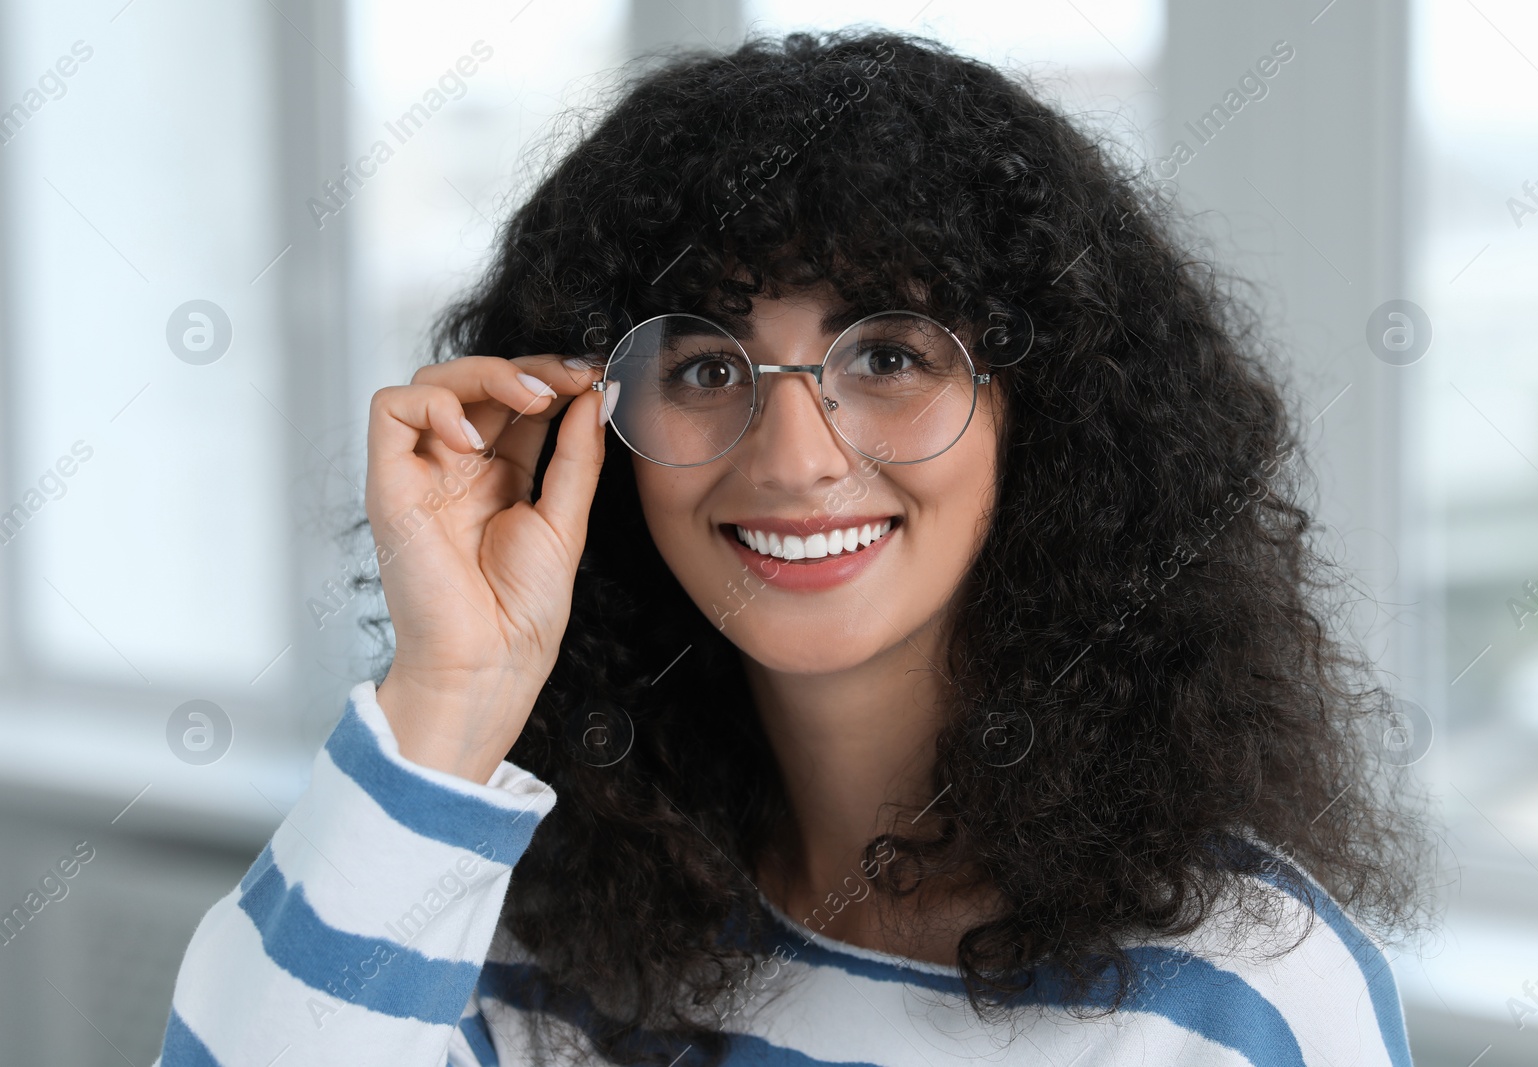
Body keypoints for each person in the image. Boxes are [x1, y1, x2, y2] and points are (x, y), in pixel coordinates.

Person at [155, 28, 1430, 1067]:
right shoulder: (520, 937)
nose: (793, 454)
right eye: (707, 363)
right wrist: (449, 696)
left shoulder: (1237, 995)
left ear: (1044, 417)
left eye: (887, 356)